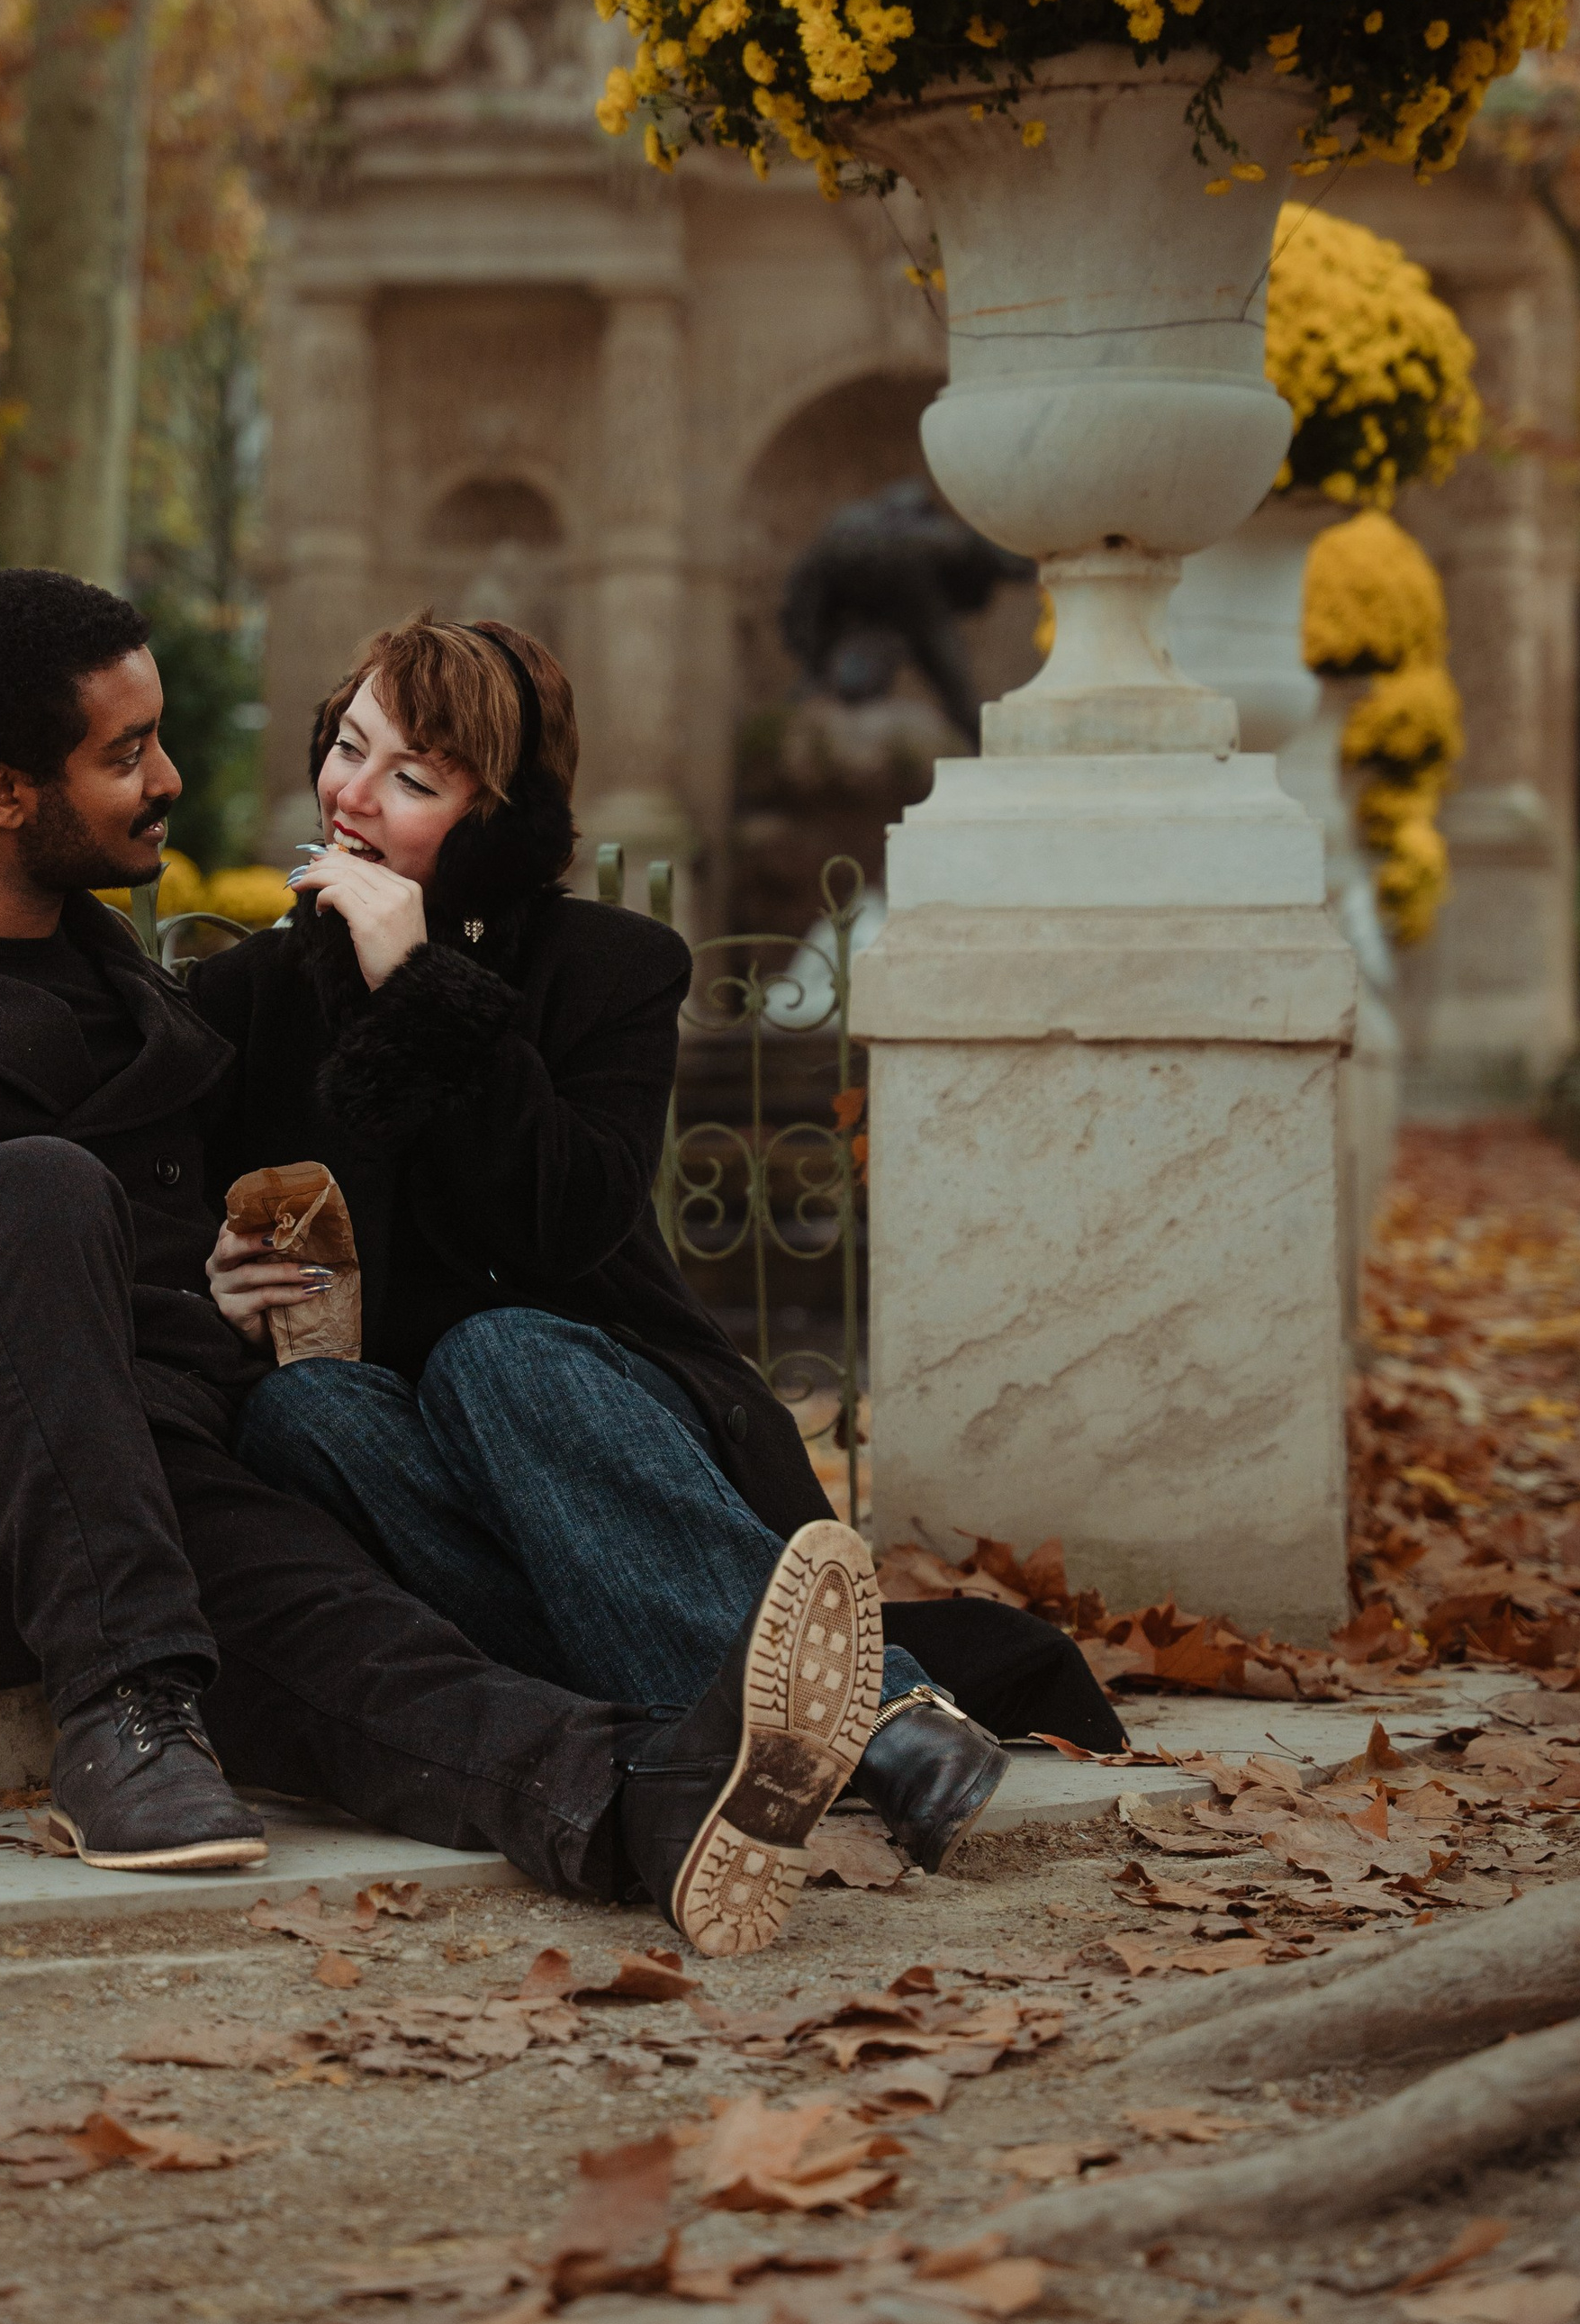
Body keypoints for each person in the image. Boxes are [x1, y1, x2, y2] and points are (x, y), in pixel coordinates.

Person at [0, 571, 888, 1959]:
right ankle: (127, 1717)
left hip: (129, 1481)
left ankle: (643, 1798)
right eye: (125, 753)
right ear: (7, 791)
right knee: (25, 1184)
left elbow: (171, 1287)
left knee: (343, 1623)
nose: (172, 778)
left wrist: (200, 1303)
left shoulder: (149, 1011)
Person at [194, 613, 1121, 1876]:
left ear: (498, 823)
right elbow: (197, 1222)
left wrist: (423, 987)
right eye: (347, 749)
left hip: (609, 1414)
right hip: (423, 1482)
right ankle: (733, 1731)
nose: (351, 797)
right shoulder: (251, 1001)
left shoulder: (611, 967)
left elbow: (566, 1222)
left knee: (495, 1350)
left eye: (413, 780)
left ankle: (887, 1723)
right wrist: (218, 1278)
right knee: (302, 1417)